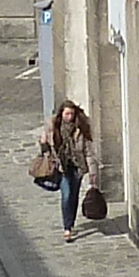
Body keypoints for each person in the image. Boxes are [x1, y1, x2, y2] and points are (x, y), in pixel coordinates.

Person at [33, 95, 97, 241]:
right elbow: (46, 148)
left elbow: (88, 152)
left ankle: (70, 223)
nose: (69, 117)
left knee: (74, 196)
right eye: (67, 114)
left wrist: (93, 174)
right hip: (61, 167)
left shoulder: (80, 129)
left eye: (72, 114)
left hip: (77, 167)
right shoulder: (53, 128)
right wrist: (43, 144)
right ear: (61, 114)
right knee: (66, 195)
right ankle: (67, 229)